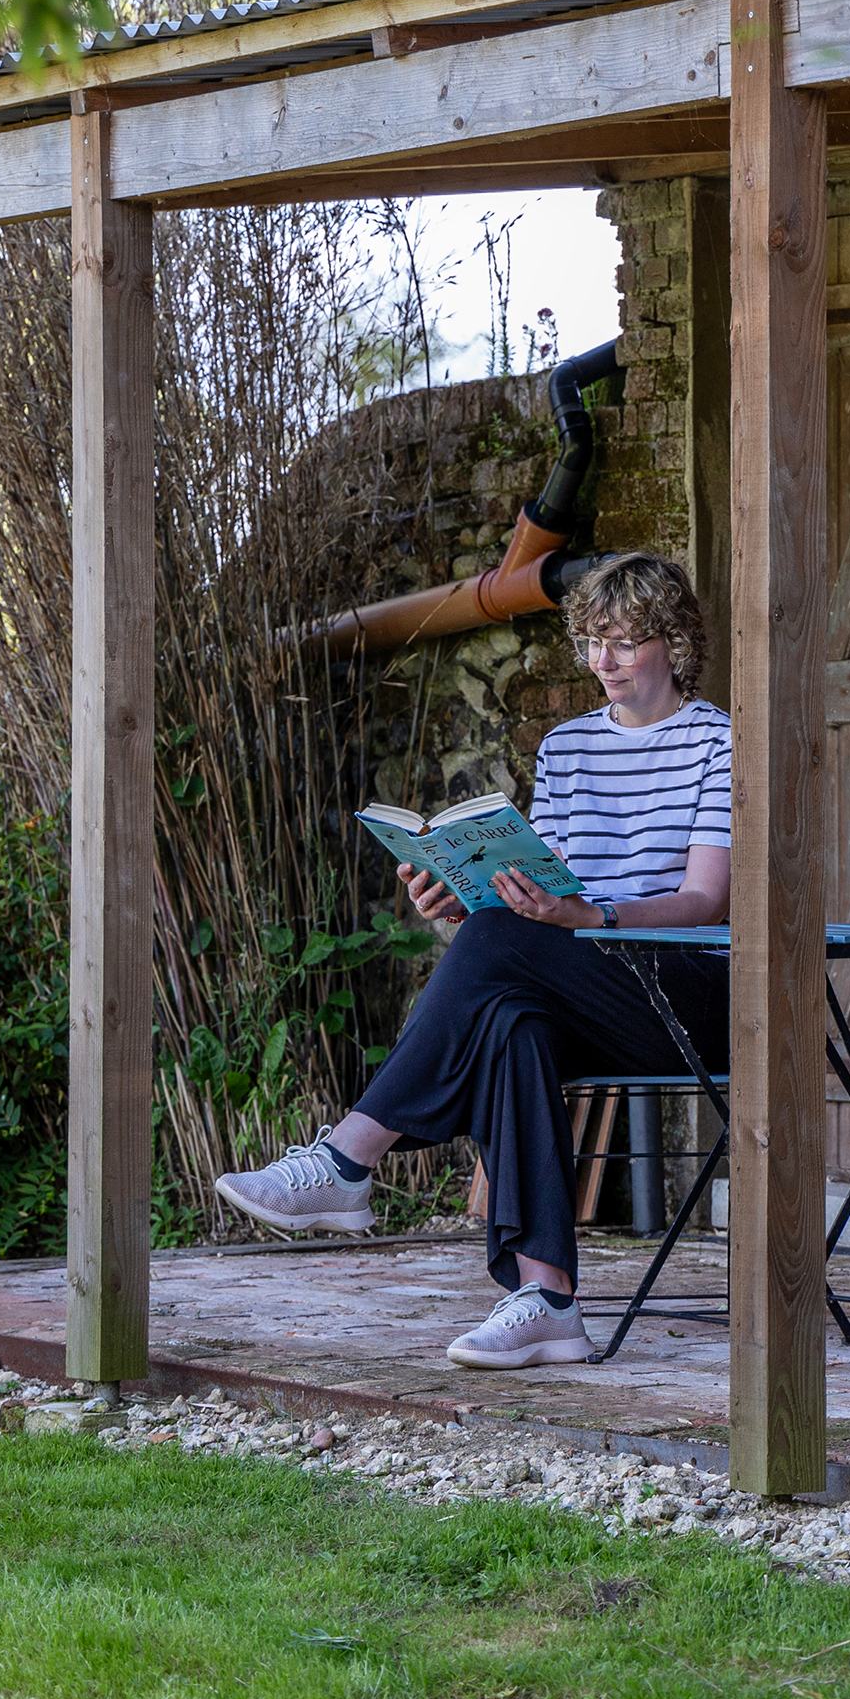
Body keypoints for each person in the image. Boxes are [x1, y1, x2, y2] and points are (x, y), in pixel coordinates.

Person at [215, 552, 731, 1370]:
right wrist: (466, 895)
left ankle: (349, 1157)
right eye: (593, 642)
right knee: (509, 1017)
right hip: (585, 978)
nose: (603, 662)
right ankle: (548, 1300)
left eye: (625, 643)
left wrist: (584, 913)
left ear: (673, 644)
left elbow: (706, 901)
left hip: (693, 990)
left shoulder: (717, 743)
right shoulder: (566, 749)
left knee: (500, 956)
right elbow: (543, 890)